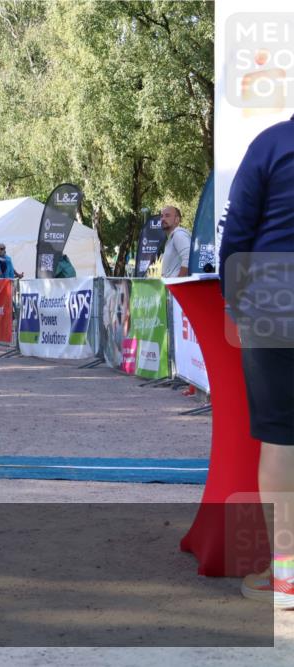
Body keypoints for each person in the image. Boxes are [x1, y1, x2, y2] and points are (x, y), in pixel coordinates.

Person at [219, 113, 294, 609]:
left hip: (274, 299)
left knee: (281, 437)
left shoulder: (270, 145)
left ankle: (287, 575)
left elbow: (238, 231)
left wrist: (234, 300)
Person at [160, 206, 191, 278]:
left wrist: (178, 282)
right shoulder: (172, 237)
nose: (163, 219)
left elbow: (188, 258)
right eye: (162, 216)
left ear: (177, 219)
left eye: (167, 215)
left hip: (176, 287)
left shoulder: (179, 235)